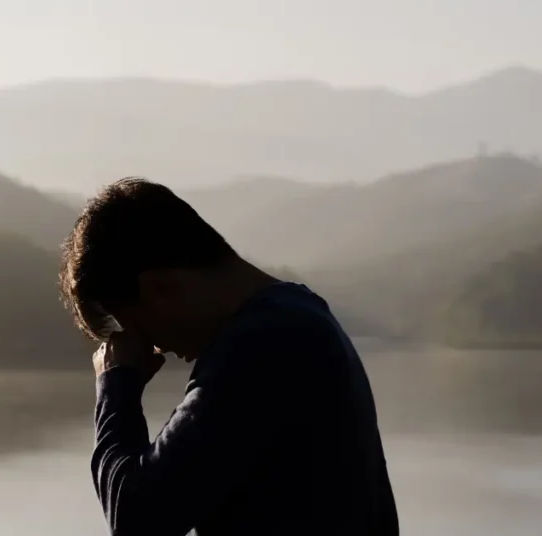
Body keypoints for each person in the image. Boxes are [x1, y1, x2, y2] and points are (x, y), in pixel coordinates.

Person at [58, 178, 399, 535]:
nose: (157, 350)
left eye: (142, 331)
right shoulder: (297, 317)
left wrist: (116, 385)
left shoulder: (261, 345)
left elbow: (135, 518)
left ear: (157, 288)